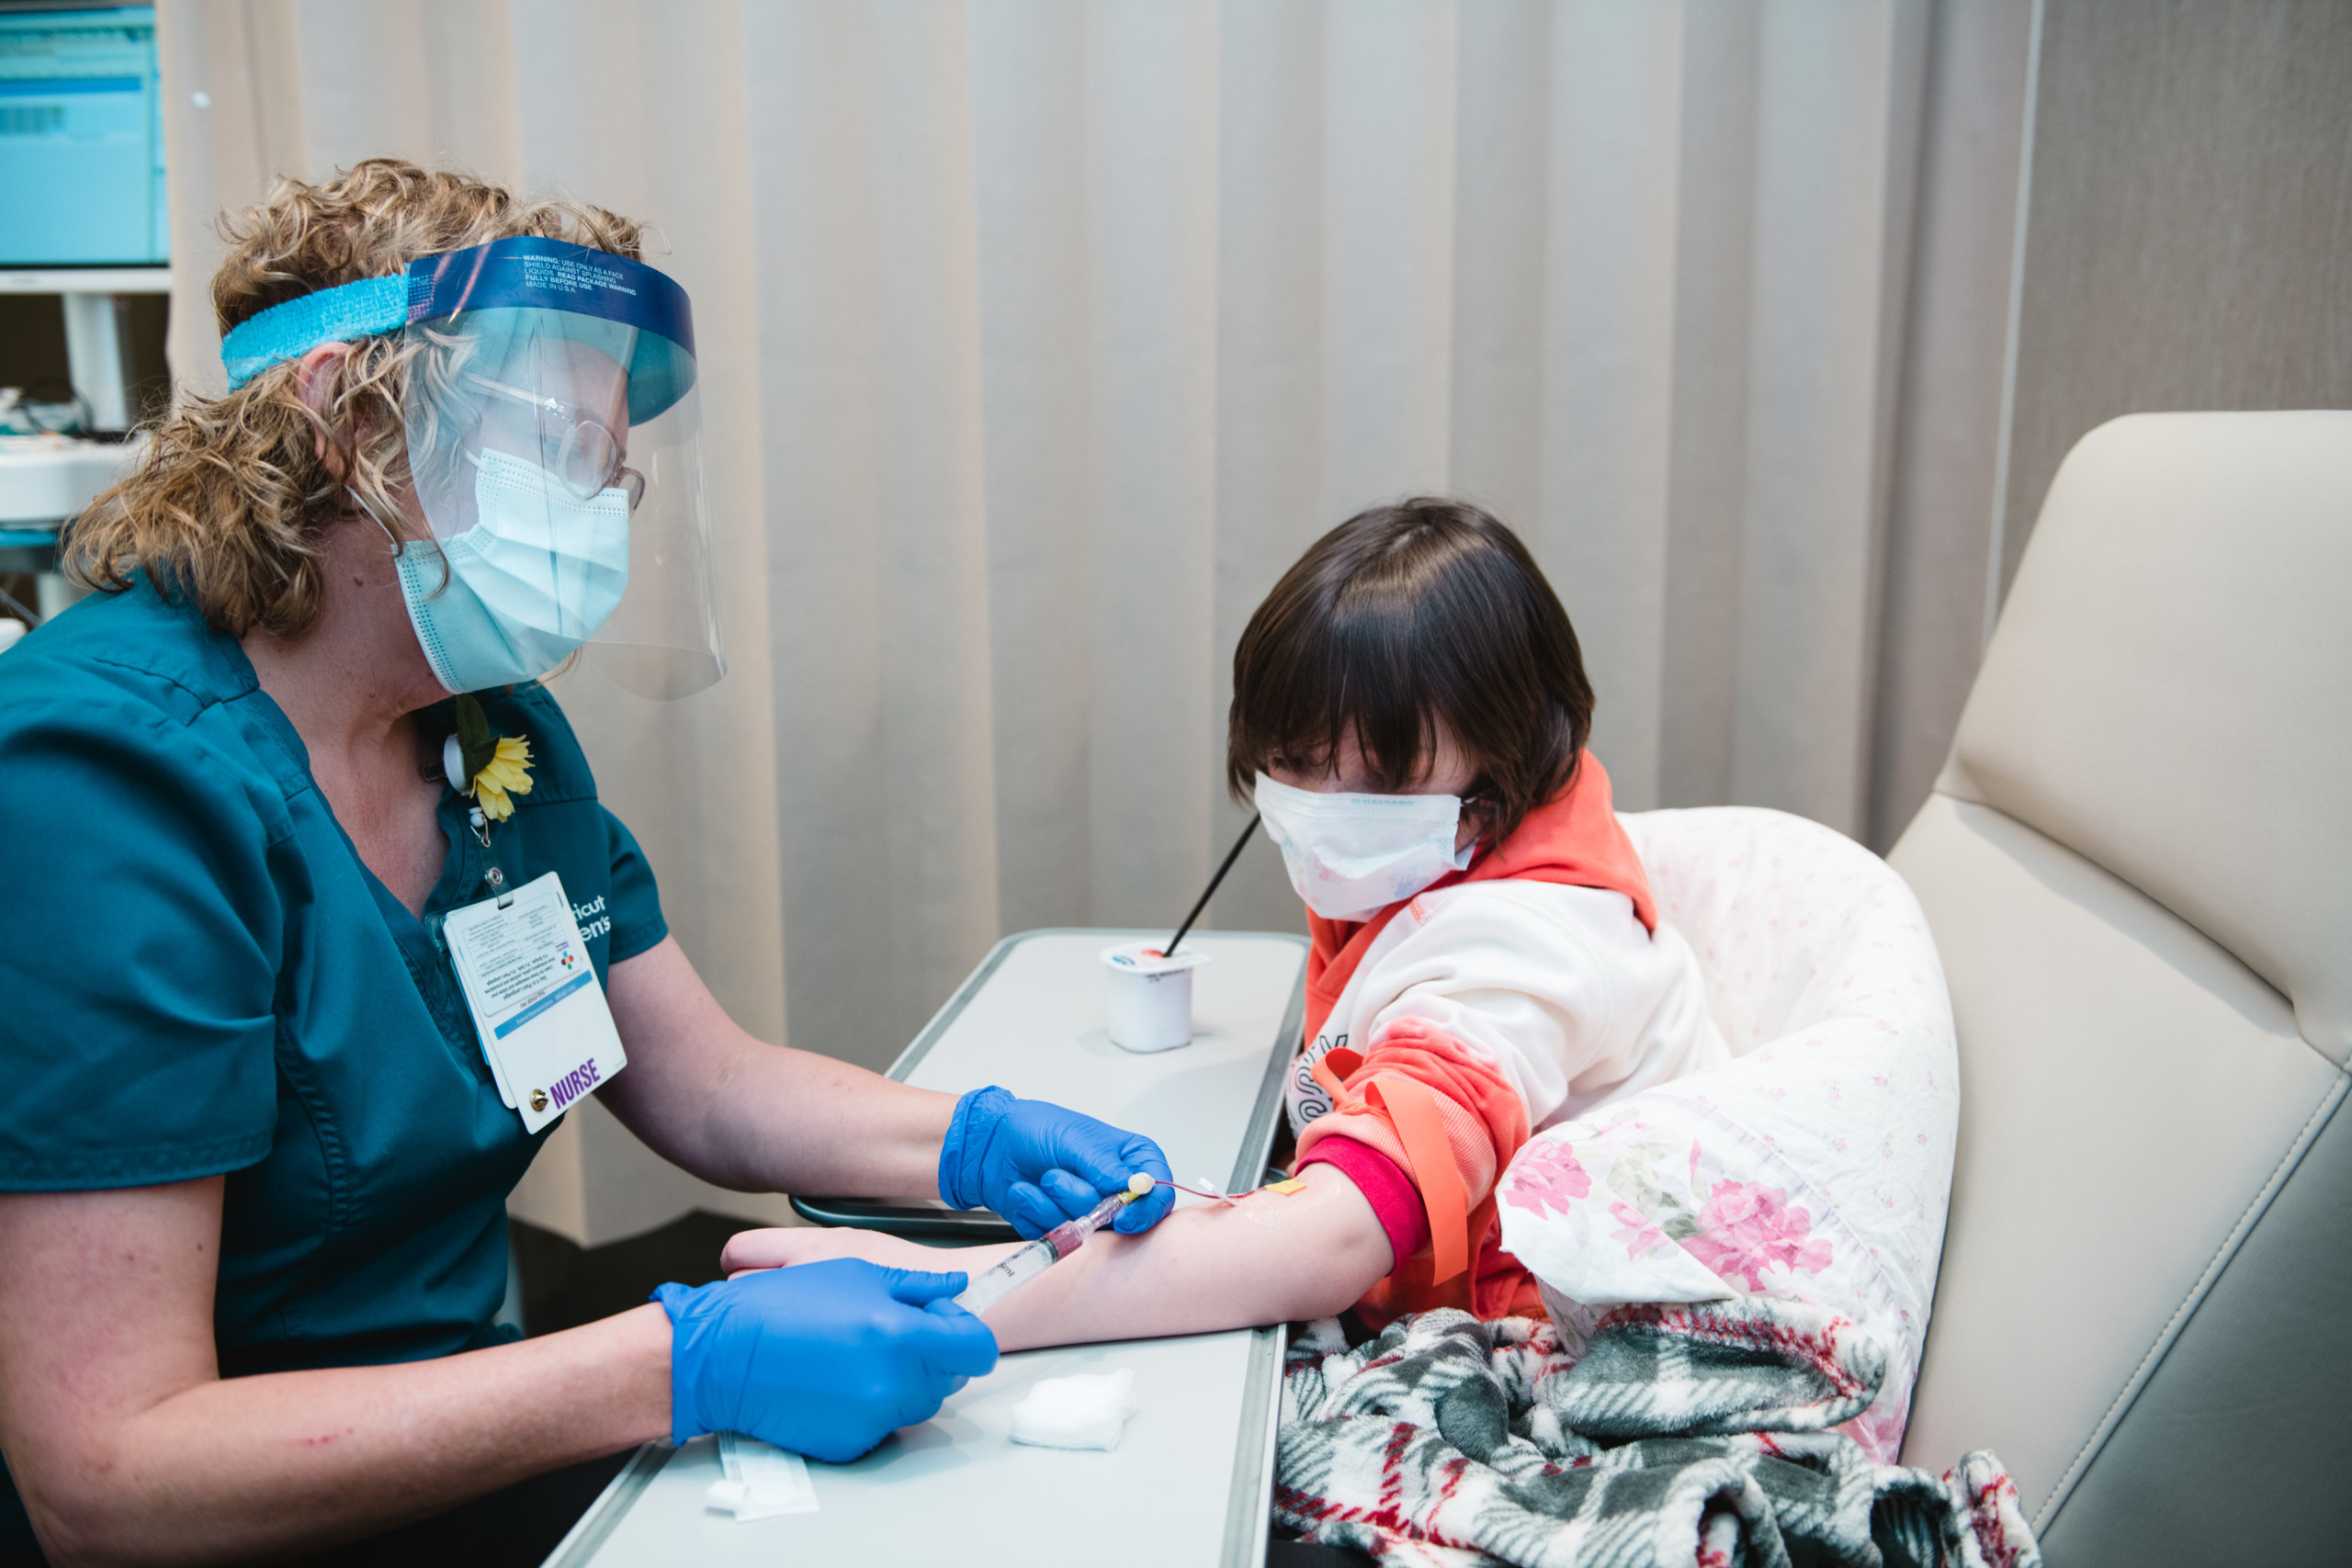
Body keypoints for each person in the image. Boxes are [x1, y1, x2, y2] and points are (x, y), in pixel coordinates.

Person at [0, 161, 1172, 1568]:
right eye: (555, 450)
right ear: (339, 416)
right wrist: (675, 1366)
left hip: (461, 1415)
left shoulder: (486, 732)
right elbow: (110, 1470)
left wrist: (980, 1144)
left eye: (607, 472)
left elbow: (708, 1083)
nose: (598, 511)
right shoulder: (102, 787)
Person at [723, 498, 1727, 1350]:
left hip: (1537, 1336)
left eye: (1378, 777)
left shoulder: (1519, 956)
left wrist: (958, 1293)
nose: (1319, 802)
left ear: (1500, 772)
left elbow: (1332, 1240)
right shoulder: (1450, 844)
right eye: (1290, 759)